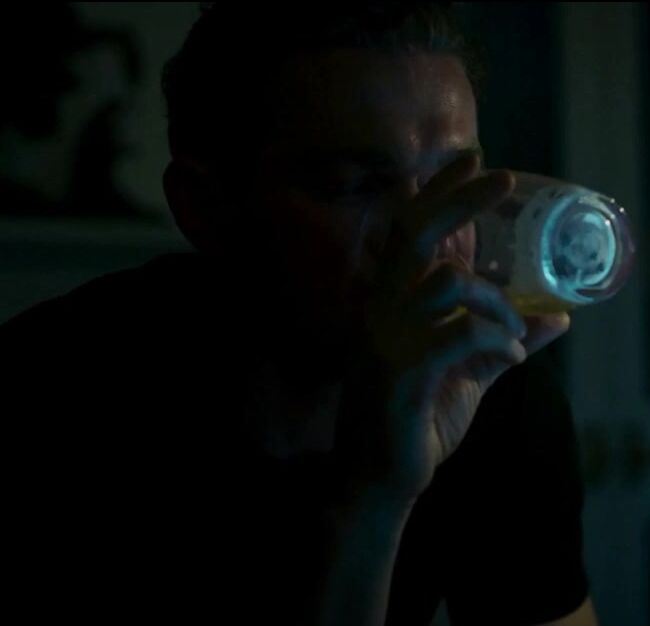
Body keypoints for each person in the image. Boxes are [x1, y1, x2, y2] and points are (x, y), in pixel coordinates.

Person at [0, 3, 597, 625]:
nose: (426, 235)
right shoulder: (46, 397)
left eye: (453, 184)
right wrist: (374, 496)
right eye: (355, 185)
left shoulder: (491, 392)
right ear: (206, 208)